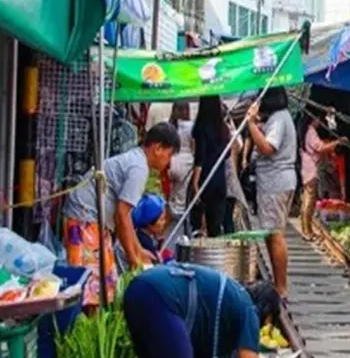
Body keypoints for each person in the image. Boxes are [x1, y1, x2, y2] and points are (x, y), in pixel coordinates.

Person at [63, 122, 180, 308]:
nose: (169, 161)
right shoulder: (139, 169)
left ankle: (94, 322)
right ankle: (86, 325)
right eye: (169, 154)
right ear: (158, 148)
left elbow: (125, 218)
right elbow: (122, 216)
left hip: (91, 218)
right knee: (91, 286)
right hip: (84, 218)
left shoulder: (137, 160)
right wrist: (133, 259)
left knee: (103, 283)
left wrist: (138, 250)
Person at [122, 263, 280, 358]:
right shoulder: (248, 308)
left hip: (137, 289)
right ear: (267, 312)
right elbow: (247, 356)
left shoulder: (231, 300)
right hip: (161, 298)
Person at [246, 86, 297, 300]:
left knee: (275, 234)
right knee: (271, 232)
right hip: (276, 181)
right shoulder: (280, 118)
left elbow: (268, 147)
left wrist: (250, 124)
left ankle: (281, 288)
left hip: (275, 182)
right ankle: (278, 283)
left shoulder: (278, 118)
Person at [299, 113, 347, 240]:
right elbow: (320, 147)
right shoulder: (311, 131)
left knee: (308, 200)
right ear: (314, 119)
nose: (320, 122)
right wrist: (337, 142)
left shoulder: (307, 131)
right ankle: (306, 231)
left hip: (308, 166)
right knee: (309, 200)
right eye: (318, 118)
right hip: (311, 168)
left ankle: (307, 229)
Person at [191, 96, 231, 237]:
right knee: (215, 224)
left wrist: (195, 184)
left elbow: (199, 157)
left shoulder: (201, 127)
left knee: (197, 222)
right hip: (220, 179)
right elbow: (228, 154)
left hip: (205, 178)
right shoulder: (224, 128)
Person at [168, 101, 194, 238]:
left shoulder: (171, 125)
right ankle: (178, 230)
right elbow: (193, 146)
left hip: (172, 160)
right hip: (186, 161)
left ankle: (168, 218)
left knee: (171, 193)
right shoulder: (191, 126)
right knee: (182, 196)